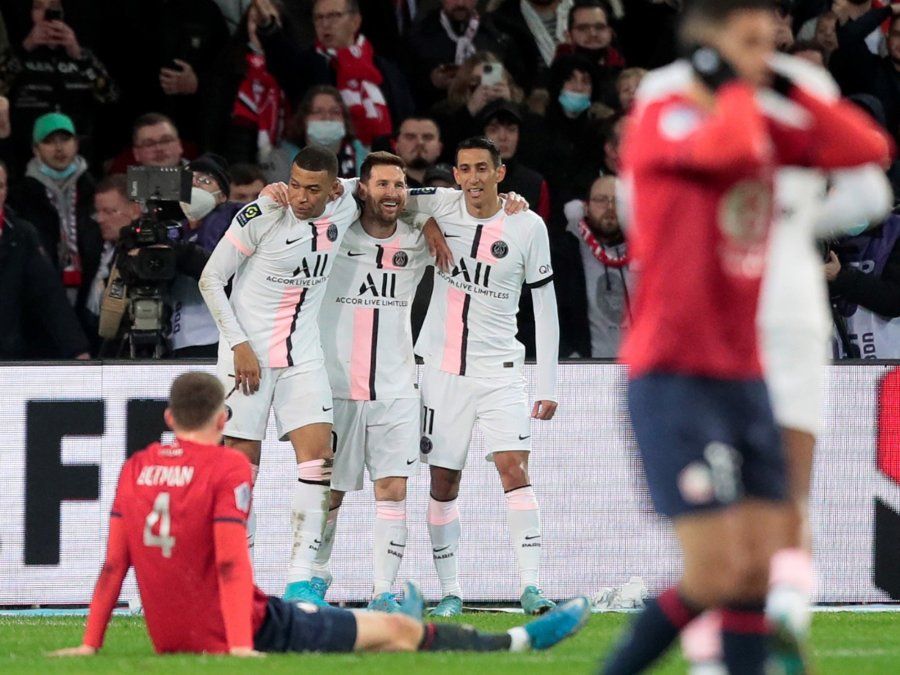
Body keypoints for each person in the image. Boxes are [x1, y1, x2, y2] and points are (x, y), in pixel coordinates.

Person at [603, 1, 891, 673]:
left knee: (759, 565)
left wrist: (789, 85)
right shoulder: (669, 111)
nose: (770, 52)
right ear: (707, 46)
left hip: (746, 371)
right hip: (676, 369)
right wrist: (734, 86)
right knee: (716, 571)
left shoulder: (762, 109)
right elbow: (728, 150)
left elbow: (867, 150)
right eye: (751, 41)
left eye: (774, 40)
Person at [49, 371, 591, 658]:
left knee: (364, 623)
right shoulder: (225, 467)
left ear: (169, 418)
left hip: (172, 637)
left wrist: (90, 643)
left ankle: (402, 614)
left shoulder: (137, 467)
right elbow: (231, 565)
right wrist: (240, 645)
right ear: (222, 419)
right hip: (252, 627)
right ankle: (515, 641)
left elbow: (113, 566)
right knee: (394, 632)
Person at [405, 137, 560, 617]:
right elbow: (378, 193)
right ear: (455, 174)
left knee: (514, 469)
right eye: (465, 169)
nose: (473, 178)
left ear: (499, 173)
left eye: (481, 168)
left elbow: (545, 307)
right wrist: (426, 221)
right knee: (443, 481)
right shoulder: (440, 204)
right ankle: (451, 592)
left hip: (500, 372)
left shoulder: (526, 224)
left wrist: (548, 384)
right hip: (442, 371)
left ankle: (531, 587)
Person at [308, 152, 432, 611]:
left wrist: (513, 201)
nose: (392, 193)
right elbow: (322, 192)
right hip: (337, 388)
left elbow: (456, 206)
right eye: (381, 184)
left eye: (399, 185)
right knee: (329, 493)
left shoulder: (417, 241)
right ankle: (314, 578)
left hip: (396, 390)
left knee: (393, 490)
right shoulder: (335, 235)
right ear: (361, 188)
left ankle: (383, 591)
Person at [254, 0, 415, 146]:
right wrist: (268, 26)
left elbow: (405, 117)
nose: (325, 24)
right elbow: (282, 60)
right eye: (319, 18)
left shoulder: (383, 68)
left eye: (333, 16)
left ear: (355, 21)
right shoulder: (308, 64)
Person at [0, 0, 118, 172]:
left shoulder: (82, 57)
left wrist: (79, 55)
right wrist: (26, 47)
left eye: (53, 8)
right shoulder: (16, 55)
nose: (46, 13)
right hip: (27, 155)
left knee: (139, 181)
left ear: (63, 13)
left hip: (79, 156)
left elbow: (110, 96)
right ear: (31, 14)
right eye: (38, 7)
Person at [7, 112, 101, 328]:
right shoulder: (20, 197)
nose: (59, 148)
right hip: (38, 298)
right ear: (35, 149)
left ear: (76, 144)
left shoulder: (95, 190)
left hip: (90, 294)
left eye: (65, 139)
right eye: (49, 141)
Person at [0, 158, 90, 360]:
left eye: (0, 186)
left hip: (7, 359)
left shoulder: (21, 235)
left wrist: (77, 349)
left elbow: (50, 295)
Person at [168, 154, 240, 358]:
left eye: (205, 181)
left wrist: (184, 254)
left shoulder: (234, 227)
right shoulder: (175, 232)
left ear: (222, 196)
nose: (195, 185)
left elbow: (223, 273)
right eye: (188, 181)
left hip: (215, 338)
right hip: (178, 337)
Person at [554, 175, 631, 359]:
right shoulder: (565, 254)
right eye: (601, 200)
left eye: (618, 201)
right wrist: (571, 358)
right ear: (585, 208)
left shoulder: (648, 252)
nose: (610, 207)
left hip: (641, 369)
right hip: (587, 368)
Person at [407, 0, 522, 109]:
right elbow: (406, 88)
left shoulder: (497, 36)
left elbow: (518, 84)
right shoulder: (419, 35)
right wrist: (432, 83)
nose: (460, 3)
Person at [261, 86, 369, 182]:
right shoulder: (281, 159)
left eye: (334, 112)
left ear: (344, 119)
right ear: (304, 119)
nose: (327, 117)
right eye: (318, 112)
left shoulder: (364, 159)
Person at [479, 100, 551, 222]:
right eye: (493, 130)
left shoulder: (535, 184)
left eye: (511, 129)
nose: (503, 137)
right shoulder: (468, 179)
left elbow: (543, 229)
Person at [392, 117, 444, 188]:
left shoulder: (455, 184)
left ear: (439, 147)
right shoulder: (382, 185)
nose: (420, 142)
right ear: (396, 146)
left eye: (427, 137)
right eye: (410, 137)